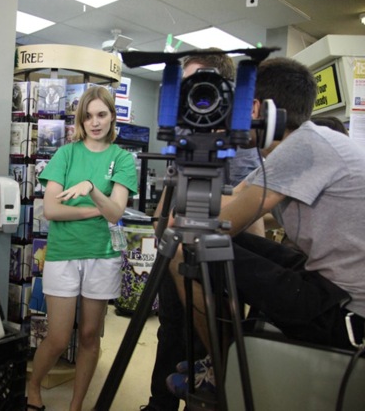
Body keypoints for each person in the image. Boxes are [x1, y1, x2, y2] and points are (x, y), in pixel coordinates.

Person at [165, 57, 365, 399]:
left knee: (184, 247)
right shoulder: (304, 142)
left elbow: (225, 222)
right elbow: (245, 207)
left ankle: (221, 369)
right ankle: (224, 357)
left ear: (254, 107)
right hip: (330, 287)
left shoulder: (301, 147)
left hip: (344, 311)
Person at [142, 50, 262, 411]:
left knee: (206, 340)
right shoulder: (184, 137)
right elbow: (170, 194)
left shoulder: (240, 148)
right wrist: (160, 226)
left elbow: (251, 209)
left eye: (199, 84)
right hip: (175, 250)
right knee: (170, 333)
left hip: (214, 257)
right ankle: (159, 404)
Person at [26, 86, 138, 411]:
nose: (95, 122)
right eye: (88, 116)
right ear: (81, 119)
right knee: (59, 337)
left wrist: (90, 189)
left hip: (102, 255)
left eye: (101, 114)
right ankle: (33, 385)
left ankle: (76, 405)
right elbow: (51, 210)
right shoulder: (66, 154)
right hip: (63, 252)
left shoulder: (122, 158)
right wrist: (95, 208)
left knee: (90, 335)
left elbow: (116, 212)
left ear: (112, 117)